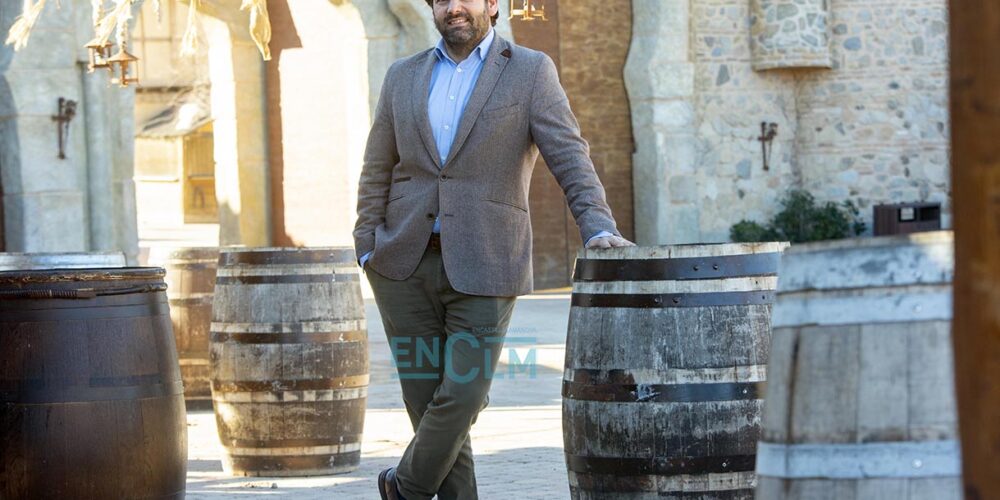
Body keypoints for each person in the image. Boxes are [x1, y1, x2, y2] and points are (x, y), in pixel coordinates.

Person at [354, 0, 633, 498]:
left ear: (492, 6)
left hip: (488, 259)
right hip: (402, 263)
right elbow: (378, 164)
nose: (453, 7)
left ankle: (405, 488)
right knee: (427, 404)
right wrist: (366, 245)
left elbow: (569, 152)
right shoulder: (402, 75)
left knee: (463, 394)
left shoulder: (529, 71)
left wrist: (596, 226)